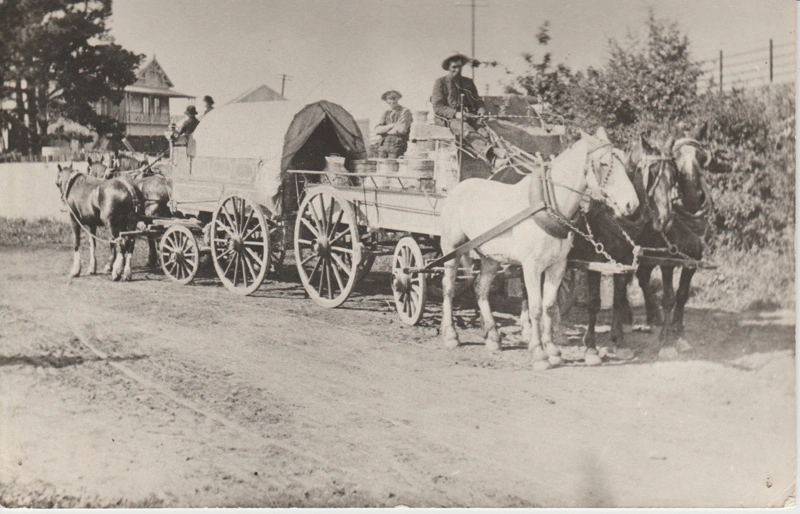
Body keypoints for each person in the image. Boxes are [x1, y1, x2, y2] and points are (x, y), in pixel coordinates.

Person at [431, 53, 504, 166]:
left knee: (485, 132)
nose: (457, 70)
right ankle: (492, 156)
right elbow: (437, 107)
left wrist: (481, 110)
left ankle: (502, 156)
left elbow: (477, 100)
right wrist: (456, 114)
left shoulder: (468, 82)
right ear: (449, 68)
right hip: (449, 119)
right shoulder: (440, 82)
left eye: (459, 67)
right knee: (465, 130)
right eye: (454, 67)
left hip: (470, 116)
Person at [373, 90, 412, 158]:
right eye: (389, 99)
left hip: (397, 144)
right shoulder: (386, 113)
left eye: (394, 98)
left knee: (393, 165)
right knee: (381, 166)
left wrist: (384, 130)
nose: (392, 101)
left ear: (398, 98)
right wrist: (392, 125)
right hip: (384, 144)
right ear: (386, 101)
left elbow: (401, 129)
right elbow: (377, 129)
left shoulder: (405, 111)